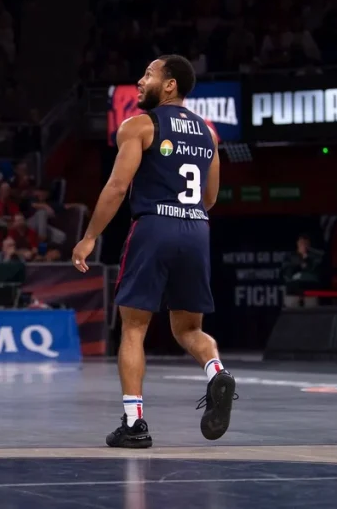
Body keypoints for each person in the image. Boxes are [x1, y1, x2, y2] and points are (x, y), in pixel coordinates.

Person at [71, 55, 237, 449]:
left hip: (154, 226)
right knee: (188, 329)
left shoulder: (140, 126)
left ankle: (134, 423)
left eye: (148, 74)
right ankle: (216, 372)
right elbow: (211, 198)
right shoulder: (209, 133)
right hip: (196, 229)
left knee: (133, 328)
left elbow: (116, 187)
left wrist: (89, 236)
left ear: (170, 85)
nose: (140, 80)